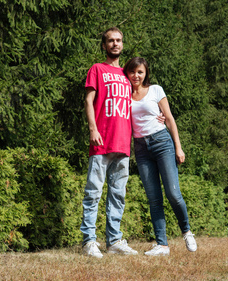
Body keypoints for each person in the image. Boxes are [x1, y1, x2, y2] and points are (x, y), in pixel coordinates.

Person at [123, 57, 197, 256]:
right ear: (127, 73)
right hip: (141, 148)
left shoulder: (156, 90)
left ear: (146, 73)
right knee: (154, 199)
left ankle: (187, 231)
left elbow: (170, 118)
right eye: (132, 72)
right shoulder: (125, 95)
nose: (136, 75)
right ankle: (162, 245)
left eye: (140, 72)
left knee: (173, 194)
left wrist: (178, 148)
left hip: (162, 143)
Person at [80, 27, 138, 258]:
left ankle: (114, 241)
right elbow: (88, 100)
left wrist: (159, 116)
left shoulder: (127, 74)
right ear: (104, 45)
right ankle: (89, 242)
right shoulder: (97, 69)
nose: (115, 44)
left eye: (119, 40)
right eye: (111, 41)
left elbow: (140, 103)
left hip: (123, 143)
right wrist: (92, 129)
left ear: (123, 44)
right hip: (102, 140)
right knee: (93, 192)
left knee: (118, 194)